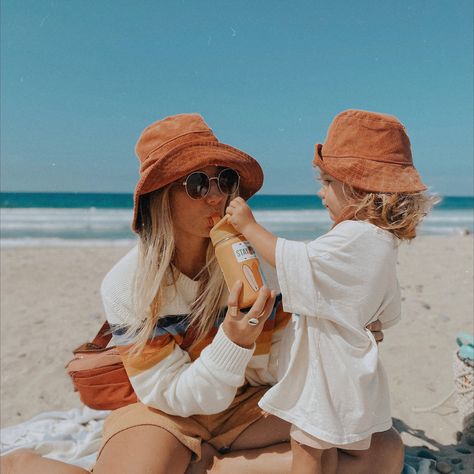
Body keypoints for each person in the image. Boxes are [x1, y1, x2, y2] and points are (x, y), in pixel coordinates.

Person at [1, 113, 403, 474]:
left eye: (224, 180)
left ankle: (211, 466)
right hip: (166, 413)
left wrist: (336, 331)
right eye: (196, 184)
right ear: (162, 198)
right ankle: (22, 465)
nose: (216, 196)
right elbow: (170, 394)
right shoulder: (128, 283)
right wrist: (234, 341)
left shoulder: (255, 262)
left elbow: (280, 361)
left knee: (381, 452)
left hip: (247, 404)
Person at [226, 109, 436, 473]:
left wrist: (248, 225)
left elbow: (294, 261)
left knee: (306, 447)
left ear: (357, 187)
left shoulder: (354, 237)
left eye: (326, 182)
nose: (320, 192)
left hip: (328, 370)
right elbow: (384, 312)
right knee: (322, 447)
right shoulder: (380, 241)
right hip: (348, 369)